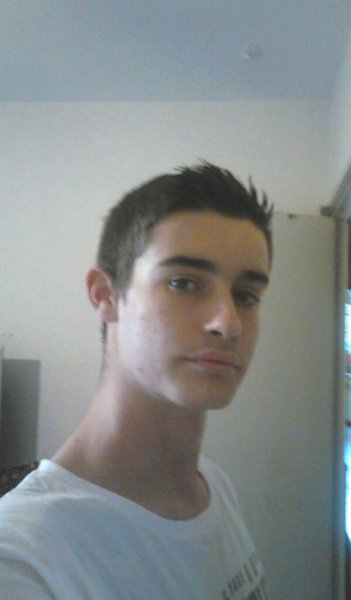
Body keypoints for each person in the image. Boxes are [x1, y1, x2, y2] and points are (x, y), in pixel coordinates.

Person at [0, 162, 273, 599]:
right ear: (105, 295)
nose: (228, 323)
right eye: (184, 283)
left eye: (246, 295)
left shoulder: (214, 487)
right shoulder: (24, 558)